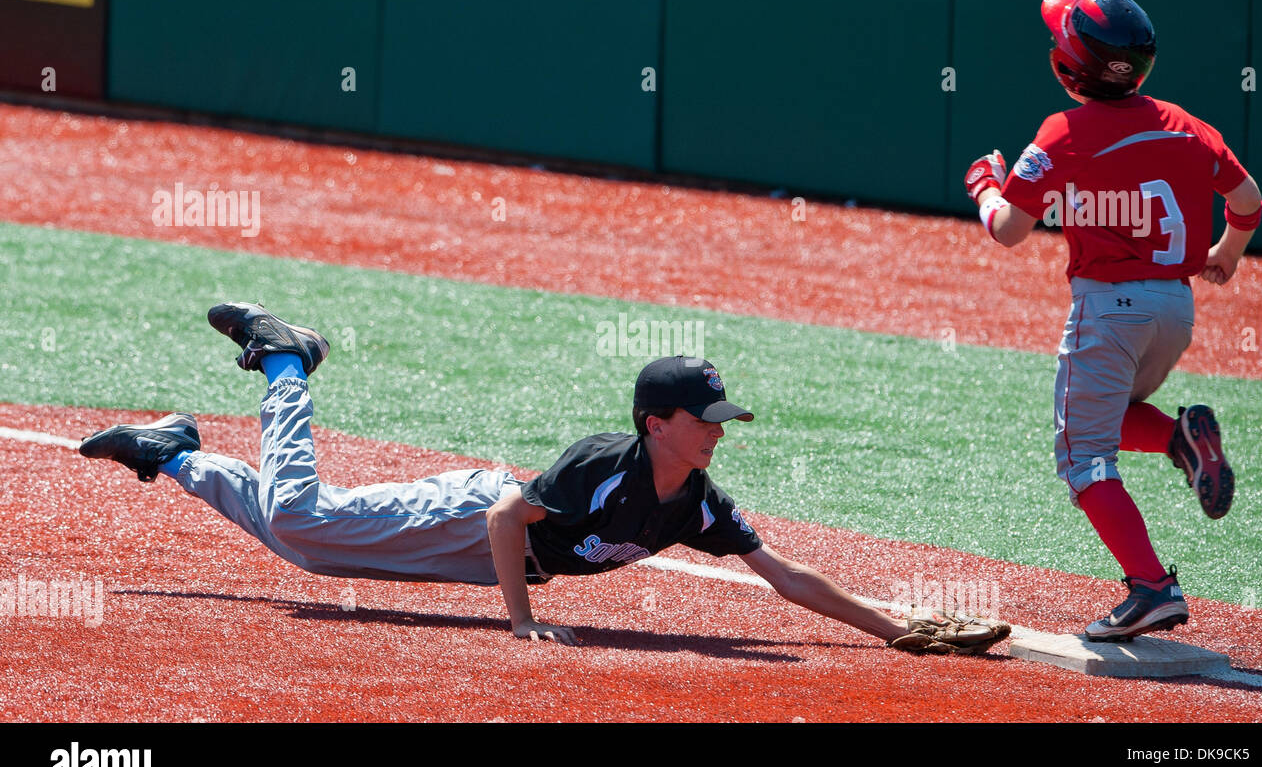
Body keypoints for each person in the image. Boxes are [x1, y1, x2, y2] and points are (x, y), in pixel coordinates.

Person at [79, 302, 1010, 653]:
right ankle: (286, 360)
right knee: (304, 517)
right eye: (706, 421)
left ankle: (177, 454)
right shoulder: (605, 463)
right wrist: (521, 623)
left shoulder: (695, 503)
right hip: (476, 519)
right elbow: (507, 522)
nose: (718, 434)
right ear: (659, 423)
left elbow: (785, 575)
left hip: (491, 555)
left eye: (722, 421)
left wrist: (898, 630)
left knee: (308, 553)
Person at [962, 0, 1262, 641]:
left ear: (1066, 69)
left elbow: (1010, 230)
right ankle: (1181, 439)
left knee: (1082, 456)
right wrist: (1225, 255)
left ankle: (1153, 587)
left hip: (1107, 310)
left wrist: (985, 186)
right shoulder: (1184, 122)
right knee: (1112, 420)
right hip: (1174, 309)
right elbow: (1248, 199)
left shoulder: (1063, 133)